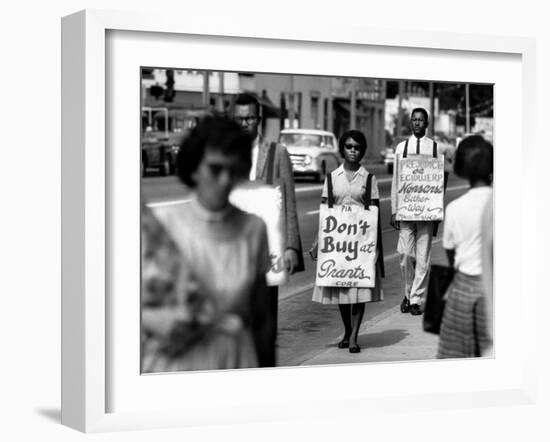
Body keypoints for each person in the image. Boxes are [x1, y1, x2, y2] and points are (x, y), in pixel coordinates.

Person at [141, 115, 271, 372]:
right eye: (215, 169)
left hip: (233, 361)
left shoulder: (253, 229)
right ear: (194, 168)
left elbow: (262, 318)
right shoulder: (162, 225)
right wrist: (153, 320)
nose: (224, 181)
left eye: (233, 170)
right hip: (175, 364)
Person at [233, 92, 304, 367]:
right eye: (238, 119)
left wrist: (291, 246)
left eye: (249, 118)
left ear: (258, 120)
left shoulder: (277, 153)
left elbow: (289, 202)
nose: (244, 124)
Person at [311, 130, 384, 354]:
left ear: (363, 151)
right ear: (342, 149)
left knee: (359, 288)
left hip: (361, 242)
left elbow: (375, 214)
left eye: (357, 147)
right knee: (341, 288)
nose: (353, 150)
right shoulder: (332, 178)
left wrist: (377, 247)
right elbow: (325, 210)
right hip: (339, 242)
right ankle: (346, 329)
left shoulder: (369, 179)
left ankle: (354, 336)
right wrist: (317, 240)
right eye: (349, 146)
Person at [437, 135, 493, 358]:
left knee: (457, 358)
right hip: (495, 290)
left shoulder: (454, 208)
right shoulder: (504, 203)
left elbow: (451, 253)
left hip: (462, 289)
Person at [390, 107, 443, 316]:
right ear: (410, 123)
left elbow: (439, 182)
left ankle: (415, 300)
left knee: (423, 257)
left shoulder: (436, 148)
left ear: (427, 123)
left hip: (427, 212)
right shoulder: (401, 148)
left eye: (421, 120)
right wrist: (394, 210)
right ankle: (409, 292)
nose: (417, 123)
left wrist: (437, 210)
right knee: (404, 254)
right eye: (414, 120)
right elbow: (396, 180)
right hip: (406, 210)